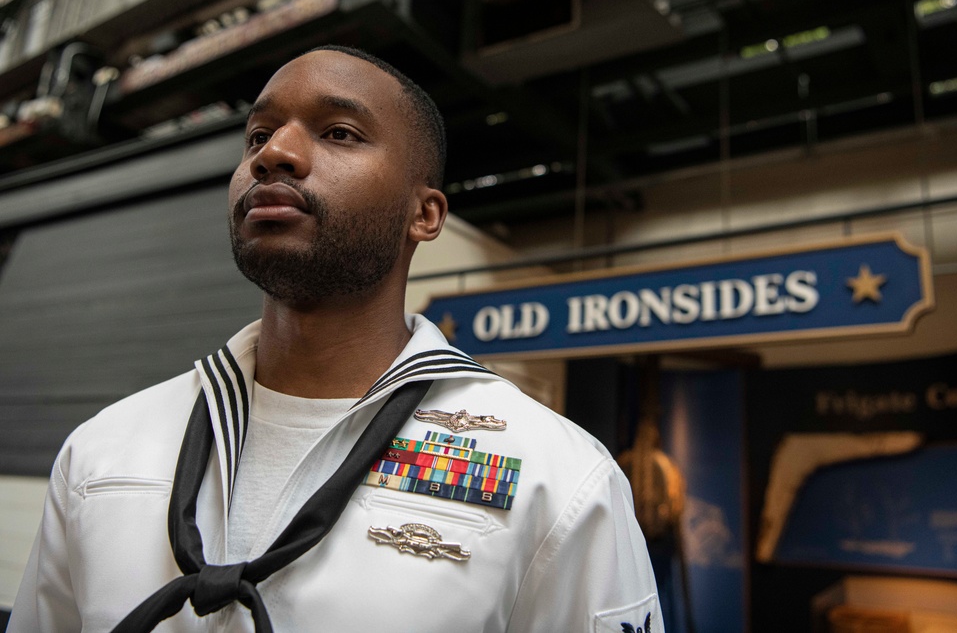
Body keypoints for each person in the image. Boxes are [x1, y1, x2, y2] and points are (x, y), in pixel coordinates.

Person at [10, 46, 663, 632]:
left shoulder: (560, 479)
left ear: (424, 213)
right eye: (259, 134)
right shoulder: (102, 454)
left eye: (339, 132)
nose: (274, 153)